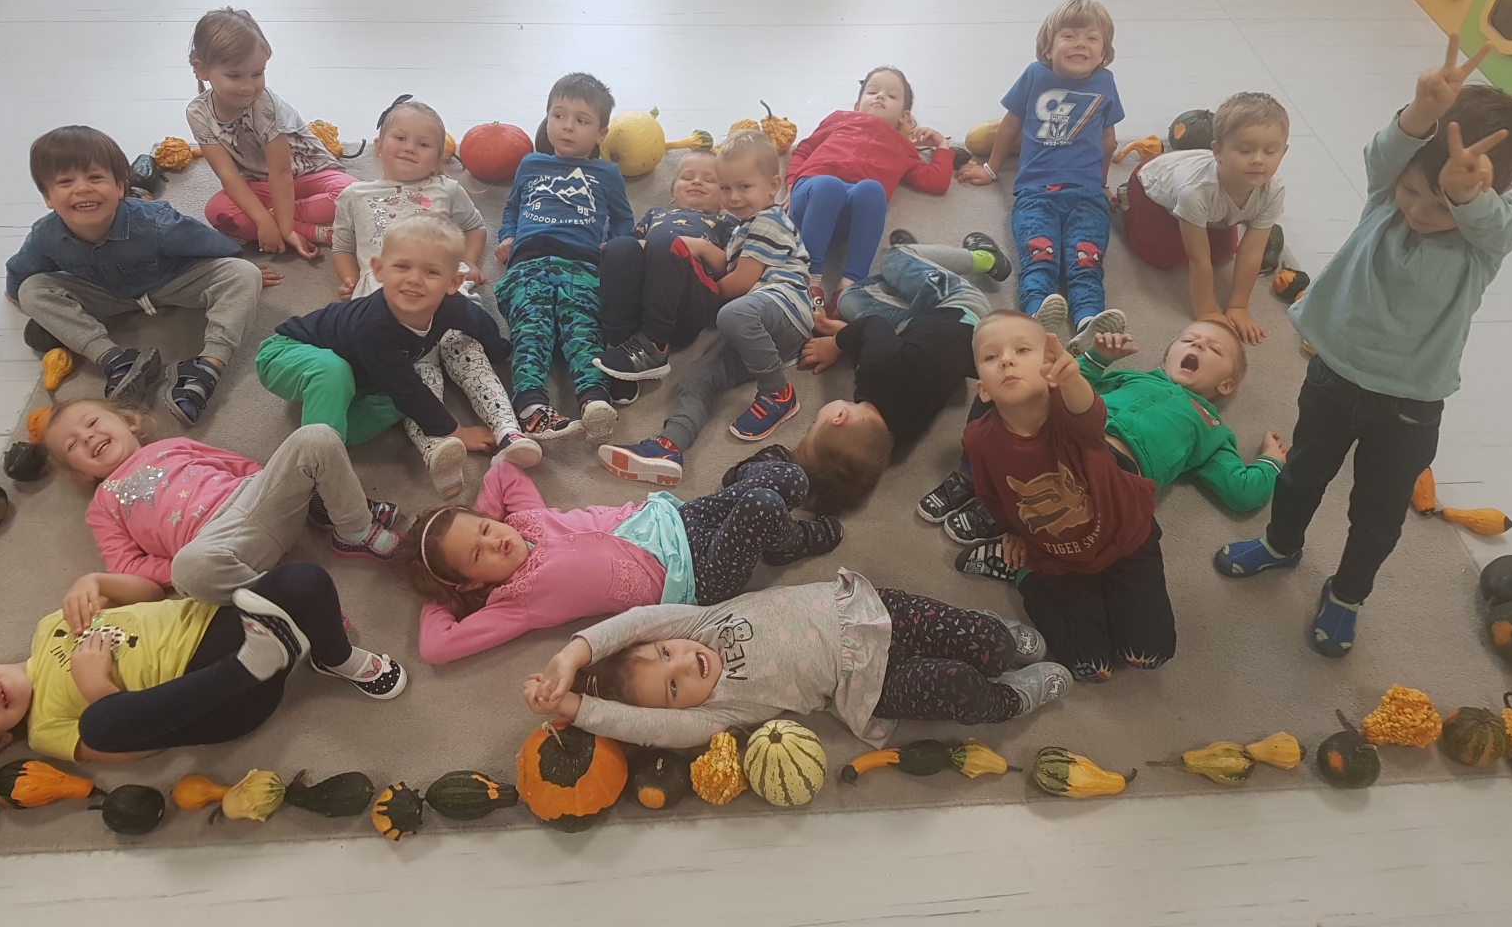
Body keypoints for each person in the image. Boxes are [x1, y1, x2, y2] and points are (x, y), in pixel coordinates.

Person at [1215, 36, 1512, 658]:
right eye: (1411, 191)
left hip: (1410, 405)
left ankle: (1349, 593)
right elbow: (1386, 154)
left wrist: (1465, 196)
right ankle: (1281, 545)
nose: (1418, 211)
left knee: (1377, 515)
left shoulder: (1484, 239)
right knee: (1302, 473)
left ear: (1485, 193)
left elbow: (1493, 222)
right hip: (1334, 374)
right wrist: (1421, 113)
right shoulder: (1388, 192)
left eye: (1442, 204)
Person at [520, 571, 1071, 749]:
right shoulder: (719, 712)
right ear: (679, 711)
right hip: (868, 682)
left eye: (667, 653)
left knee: (988, 641)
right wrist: (571, 706)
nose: (685, 664)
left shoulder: (697, 623)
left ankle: (997, 640)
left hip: (868, 611)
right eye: (673, 687)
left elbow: (636, 622)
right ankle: (1009, 699)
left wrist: (572, 655)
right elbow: (642, 727)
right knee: (960, 685)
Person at [403, 458, 842, 664]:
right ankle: (789, 542)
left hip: (681, 518)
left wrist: (481, 521)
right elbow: (437, 647)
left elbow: (502, 473)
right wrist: (442, 592)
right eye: (477, 555)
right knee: (764, 503)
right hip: (695, 579)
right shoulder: (514, 604)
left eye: (485, 529)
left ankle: (748, 488)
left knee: (792, 477)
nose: (495, 541)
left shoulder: (523, 519)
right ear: (469, 582)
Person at [257, 214, 526, 541]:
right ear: (380, 270)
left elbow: (478, 322)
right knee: (351, 375)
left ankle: (328, 427)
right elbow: (406, 388)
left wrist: (502, 351)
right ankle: (321, 480)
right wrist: (456, 431)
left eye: (431, 272)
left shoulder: (452, 306)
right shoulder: (374, 325)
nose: (414, 280)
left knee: (400, 403)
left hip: (356, 374)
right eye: (402, 267)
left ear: (453, 283)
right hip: (285, 353)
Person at [0, 563, 404, 765]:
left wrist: (91, 580)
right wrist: (97, 690)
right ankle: (251, 665)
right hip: (209, 696)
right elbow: (142, 745)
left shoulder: (49, 626)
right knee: (99, 725)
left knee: (304, 578)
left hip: (214, 627)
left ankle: (334, 658)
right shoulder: (43, 730)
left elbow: (150, 593)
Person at [953, 310, 1175, 684]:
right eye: (991, 357)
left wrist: (1073, 379)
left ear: (1050, 369)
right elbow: (991, 493)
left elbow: (1090, 412)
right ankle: (1024, 575)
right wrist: (1013, 533)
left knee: (1149, 653)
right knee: (1091, 666)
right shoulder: (978, 438)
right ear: (984, 390)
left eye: (1022, 350)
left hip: (1124, 536)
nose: (1006, 360)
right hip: (1055, 555)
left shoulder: (1068, 410)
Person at [332, 97, 537, 497]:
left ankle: (509, 433)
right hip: (389, 304)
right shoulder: (354, 195)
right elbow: (342, 245)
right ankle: (437, 447)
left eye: (424, 144)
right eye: (400, 138)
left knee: (472, 361)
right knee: (414, 380)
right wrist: (349, 279)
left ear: (439, 158)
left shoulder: (446, 188)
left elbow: (475, 226)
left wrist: (469, 262)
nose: (410, 147)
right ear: (378, 145)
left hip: (446, 297)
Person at [922, 319, 1285, 544]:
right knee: (1008, 386)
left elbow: (1242, 490)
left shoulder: (1213, 429)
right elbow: (1068, 384)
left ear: (1225, 385)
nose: (1198, 345)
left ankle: (1002, 510)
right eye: (1189, 340)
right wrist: (1096, 360)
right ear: (1165, 358)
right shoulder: (1133, 377)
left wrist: (1269, 461)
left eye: (1213, 349)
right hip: (1067, 429)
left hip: (1111, 472)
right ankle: (969, 473)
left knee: (1061, 492)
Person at [7, 125, 269, 426]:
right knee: (32, 289)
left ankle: (207, 366)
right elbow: (20, 275)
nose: (82, 189)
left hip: (171, 282)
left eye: (95, 178)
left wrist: (235, 262)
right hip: (104, 294)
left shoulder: (156, 222)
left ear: (120, 187)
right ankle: (114, 360)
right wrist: (39, 305)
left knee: (244, 274)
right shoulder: (46, 235)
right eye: (65, 182)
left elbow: (208, 242)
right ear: (47, 197)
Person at [598, 131, 813, 486]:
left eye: (744, 187)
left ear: (774, 186)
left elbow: (740, 282)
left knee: (731, 313)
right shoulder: (743, 229)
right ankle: (669, 446)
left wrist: (699, 283)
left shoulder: (768, 221)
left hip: (782, 305)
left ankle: (778, 393)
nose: (734, 197)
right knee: (698, 379)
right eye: (726, 188)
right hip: (757, 334)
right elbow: (731, 273)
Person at [44, 397, 401, 597]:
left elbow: (242, 467)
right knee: (189, 572)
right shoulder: (102, 506)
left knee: (316, 437)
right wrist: (175, 566)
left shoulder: (173, 445)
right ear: (81, 473)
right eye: (73, 445)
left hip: (255, 500)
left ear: (129, 422)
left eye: (92, 423)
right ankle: (287, 600)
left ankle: (354, 530)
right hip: (218, 547)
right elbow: (124, 566)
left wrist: (279, 488)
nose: (87, 437)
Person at [791, 231, 1010, 512]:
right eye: (813, 426)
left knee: (849, 302)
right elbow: (873, 325)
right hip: (960, 305)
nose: (813, 422)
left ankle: (913, 273)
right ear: (839, 417)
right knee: (894, 258)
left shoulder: (897, 437)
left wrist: (851, 336)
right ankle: (984, 258)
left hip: (935, 337)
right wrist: (837, 343)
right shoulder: (877, 370)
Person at [958, 0, 1128, 355]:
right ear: (1048, 48)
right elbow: (1009, 125)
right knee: (1040, 257)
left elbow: (1108, 139)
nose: (1080, 44)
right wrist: (990, 169)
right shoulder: (1035, 75)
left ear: (1104, 52)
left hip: (1087, 195)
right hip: (1036, 194)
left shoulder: (1106, 82)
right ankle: (1036, 316)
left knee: (1086, 259)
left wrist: (1103, 185)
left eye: (1091, 38)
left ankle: (1088, 321)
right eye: (1069, 36)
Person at [492, 72, 634, 443]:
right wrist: (507, 236)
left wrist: (613, 248)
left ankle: (594, 400)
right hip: (528, 263)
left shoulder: (607, 173)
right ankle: (531, 406)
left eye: (581, 120)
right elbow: (512, 207)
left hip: (582, 265)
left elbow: (623, 219)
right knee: (532, 329)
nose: (567, 126)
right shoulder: (530, 163)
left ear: (601, 133)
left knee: (583, 329)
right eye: (558, 116)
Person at [784, 67, 956, 314]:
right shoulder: (839, 118)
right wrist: (791, 186)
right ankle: (810, 280)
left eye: (891, 96)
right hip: (812, 196)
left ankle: (850, 286)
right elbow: (803, 150)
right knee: (829, 185)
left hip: (848, 219)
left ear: (904, 117)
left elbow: (936, 182)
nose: (880, 96)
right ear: (857, 105)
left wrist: (941, 145)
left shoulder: (904, 148)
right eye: (873, 92)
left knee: (873, 190)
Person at [1122, 92, 1291, 345]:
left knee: (1223, 254)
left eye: (1270, 151)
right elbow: (1197, 258)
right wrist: (1207, 311)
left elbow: (1251, 253)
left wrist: (1238, 307)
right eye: (1245, 150)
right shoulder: (1195, 191)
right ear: (1217, 151)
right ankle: (1125, 200)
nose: (1258, 160)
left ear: (1283, 153)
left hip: (1199, 188)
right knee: (1165, 257)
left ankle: (1207, 216)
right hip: (1151, 181)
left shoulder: (1273, 190)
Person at [185, 7, 354, 257]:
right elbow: (228, 176)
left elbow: (282, 172)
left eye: (257, 74)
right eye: (234, 76)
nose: (248, 87)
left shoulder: (265, 107)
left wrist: (283, 226)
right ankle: (314, 231)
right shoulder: (198, 113)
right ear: (201, 69)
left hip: (307, 174)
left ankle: (288, 225)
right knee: (217, 211)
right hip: (258, 184)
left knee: (350, 193)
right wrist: (264, 221)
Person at [593, 150, 734, 400]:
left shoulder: (726, 223)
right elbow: (632, 248)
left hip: (687, 305)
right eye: (687, 177)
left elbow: (730, 268)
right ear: (672, 194)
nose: (697, 182)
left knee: (664, 243)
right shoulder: (655, 215)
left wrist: (701, 247)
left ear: (724, 198)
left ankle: (654, 344)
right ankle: (621, 348)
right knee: (619, 247)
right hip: (643, 301)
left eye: (709, 180)